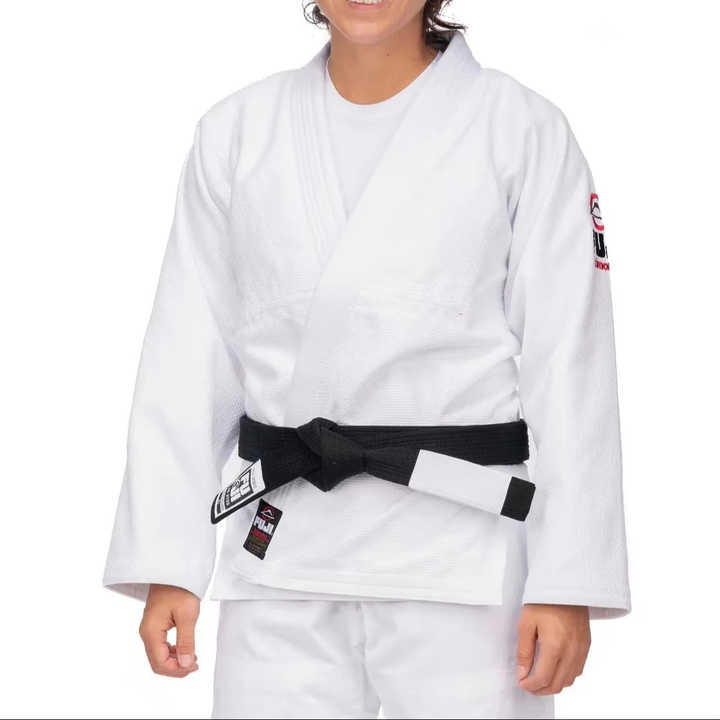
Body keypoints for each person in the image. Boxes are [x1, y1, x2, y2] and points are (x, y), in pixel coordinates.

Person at [104, 1, 630, 717]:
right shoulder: (237, 132)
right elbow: (187, 354)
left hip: (462, 558)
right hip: (281, 554)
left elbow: (571, 361)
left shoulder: (521, 130)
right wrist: (169, 561)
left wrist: (568, 579)